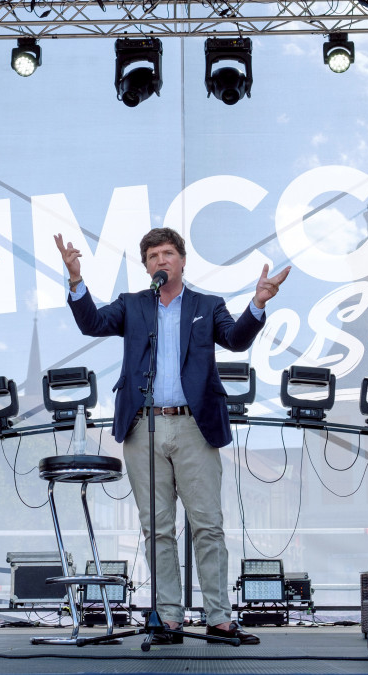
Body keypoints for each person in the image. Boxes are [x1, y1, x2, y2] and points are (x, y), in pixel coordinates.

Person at [55, 228, 290, 645]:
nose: (160, 261)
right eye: (152, 256)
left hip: (194, 425)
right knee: (156, 528)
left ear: (182, 261)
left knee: (207, 526)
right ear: (146, 266)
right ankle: (168, 619)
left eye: (167, 254)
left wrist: (257, 303)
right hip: (142, 426)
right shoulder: (132, 306)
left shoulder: (207, 305)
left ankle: (218, 619)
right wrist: (76, 279)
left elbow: (235, 340)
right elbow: (92, 324)